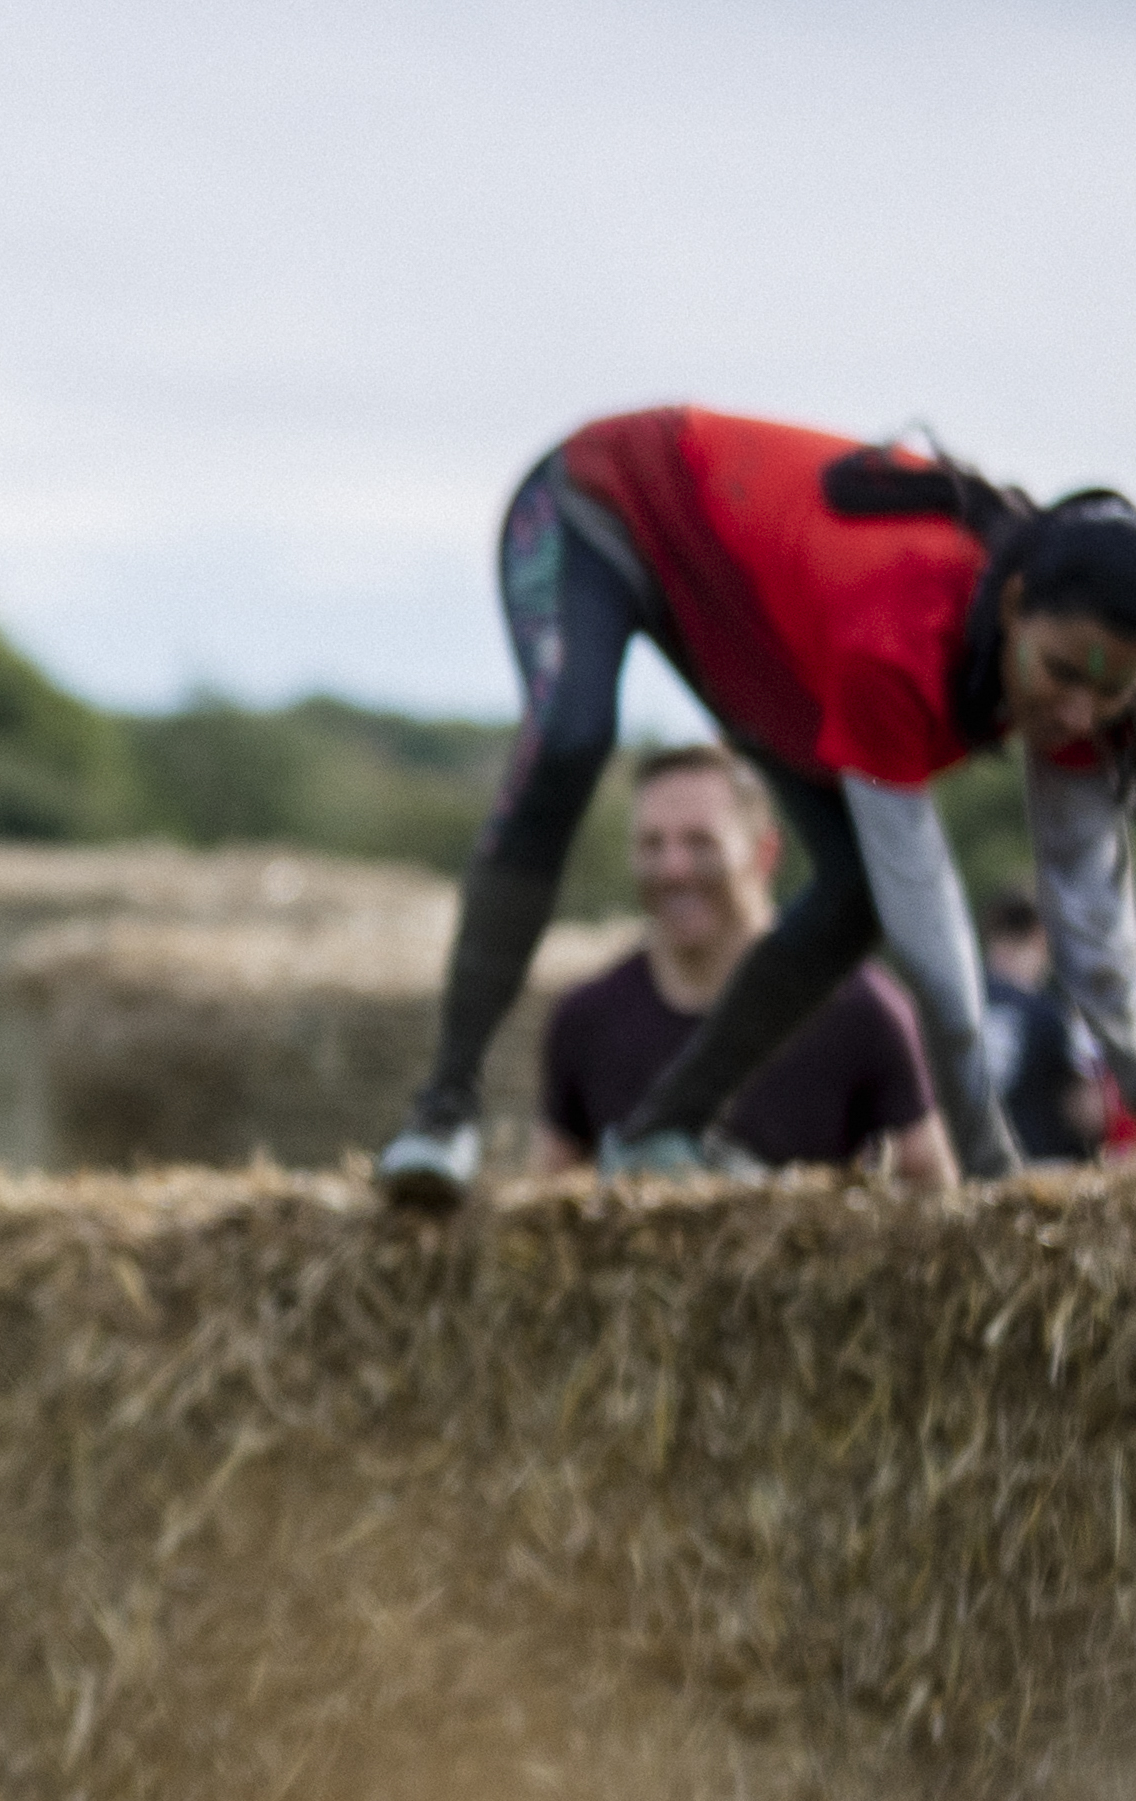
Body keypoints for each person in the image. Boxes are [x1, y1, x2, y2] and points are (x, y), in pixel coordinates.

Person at [374, 410, 1136, 1206]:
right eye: (1060, 674)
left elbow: (1093, 925)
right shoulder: (900, 629)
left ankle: (664, 1128)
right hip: (597, 503)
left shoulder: (1087, 688)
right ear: (1013, 606)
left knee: (853, 895)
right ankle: (443, 1108)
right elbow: (934, 947)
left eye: (1109, 689)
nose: (1079, 713)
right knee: (572, 736)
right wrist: (991, 1175)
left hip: (746, 624)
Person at [533, 748, 949, 1179]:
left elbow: (932, 1186)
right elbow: (545, 1195)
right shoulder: (586, 1018)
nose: (673, 869)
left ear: (765, 854)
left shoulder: (863, 1010)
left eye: (701, 843)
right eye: (651, 844)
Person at [976, 892, 1112, 1165]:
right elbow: (1088, 1111)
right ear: (1041, 936)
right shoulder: (1051, 1015)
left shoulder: (953, 1012)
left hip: (971, 1173)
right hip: (1045, 1174)